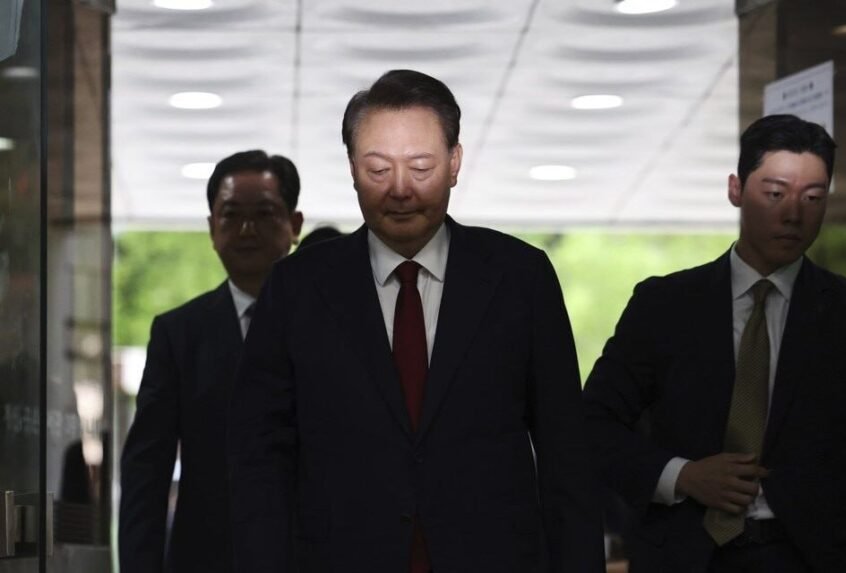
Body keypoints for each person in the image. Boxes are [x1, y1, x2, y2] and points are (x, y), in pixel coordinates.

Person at [228, 69, 605, 573]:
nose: (400, 189)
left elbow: (566, 456)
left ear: (454, 163)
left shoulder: (520, 278)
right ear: (352, 168)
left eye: (421, 167)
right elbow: (259, 457)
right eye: (378, 169)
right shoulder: (297, 288)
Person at [582, 114, 846, 572]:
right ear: (736, 189)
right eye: (775, 194)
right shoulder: (664, 306)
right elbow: (591, 425)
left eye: (813, 197)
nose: (793, 213)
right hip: (685, 554)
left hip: (813, 555)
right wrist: (682, 475)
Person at [119, 150, 304, 573]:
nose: (246, 230)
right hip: (206, 557)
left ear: (294, 225)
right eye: (231, 215)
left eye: (264, 214)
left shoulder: (330, 326)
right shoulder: (179, 334)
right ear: (211, 228)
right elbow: (147, 470)